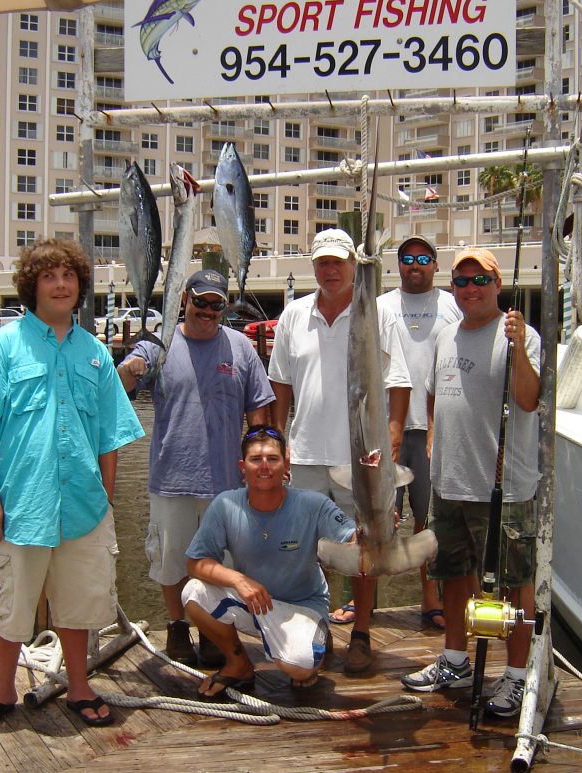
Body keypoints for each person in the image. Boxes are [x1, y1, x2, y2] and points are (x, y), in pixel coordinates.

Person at [0, 239, 145, 729]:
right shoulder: (1, 347)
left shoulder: (97, 354)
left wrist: (107, 497)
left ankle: (79, 687)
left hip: (85, 506)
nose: (61, 284)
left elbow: (110, 435)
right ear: (32, 285)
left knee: (79, 603)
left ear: (80, 286)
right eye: (49, 276)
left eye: (69, 276)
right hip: (20, 505)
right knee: (11, 601)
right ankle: (1, 691)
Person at [401, 248, 540, 718]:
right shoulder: (445, 335)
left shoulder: (519, 335)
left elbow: (527, 400)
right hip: (448, 484)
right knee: (453, 578)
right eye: (461, 282)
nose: (470, 289)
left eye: (480, 280)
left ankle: (518, 676)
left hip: (503, 488)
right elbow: (435, 393)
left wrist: (519, 348)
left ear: (497, 285)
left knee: (514, 588)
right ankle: (456, 660)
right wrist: (436, 439)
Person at [268, 228, 411, 675]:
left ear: (353, 265)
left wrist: (389, 447)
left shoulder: (378, 314)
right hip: (306, 453)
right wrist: (278, 443)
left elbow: (399, 383)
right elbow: (281, 387)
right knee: (310, 550)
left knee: (365, 549)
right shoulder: (293, 315)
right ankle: (318, 627)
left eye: (339, 262)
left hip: (361, 461)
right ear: (313, 266)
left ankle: (363, 632)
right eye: (323, 263)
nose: (331, 271)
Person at [117, 269, 274, 667]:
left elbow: (259, 416)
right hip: (171, 478)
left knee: (222, 564)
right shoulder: (159, 344)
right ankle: (176, 626)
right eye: (200, 301)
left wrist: (260, 468)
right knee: (171, 560)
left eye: (216, 304)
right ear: (184, 298)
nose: (207, 310)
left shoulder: (241, 349)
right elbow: (123, 384)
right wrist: (128, 370)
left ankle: (212, 629)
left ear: (224, 306)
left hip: (226, 483)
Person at [183, 426, 356, 700]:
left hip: (303, 606)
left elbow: (352, 538)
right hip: (256, 603)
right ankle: (238, 663)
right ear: (243, 466)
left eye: (273, 459)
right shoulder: (225, 504)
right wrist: (238, 580)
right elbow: (195, 563)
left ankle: (314, 636)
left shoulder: (313, 504)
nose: (264, 467)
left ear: (286, 464)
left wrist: (375, 529)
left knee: (300, 669)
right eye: (256, 459)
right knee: (193, 592)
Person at [376, 236, 460, 632]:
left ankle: (431, 598)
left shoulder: (452, 304)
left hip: (432, 431)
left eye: (423, 258)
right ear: (397, 265)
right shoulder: (381, 306)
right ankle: (363, 601)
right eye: (407, 258)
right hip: (384, 431)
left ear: (435, 264)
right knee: (375, 518)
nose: (415, 264)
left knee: (427, 521)